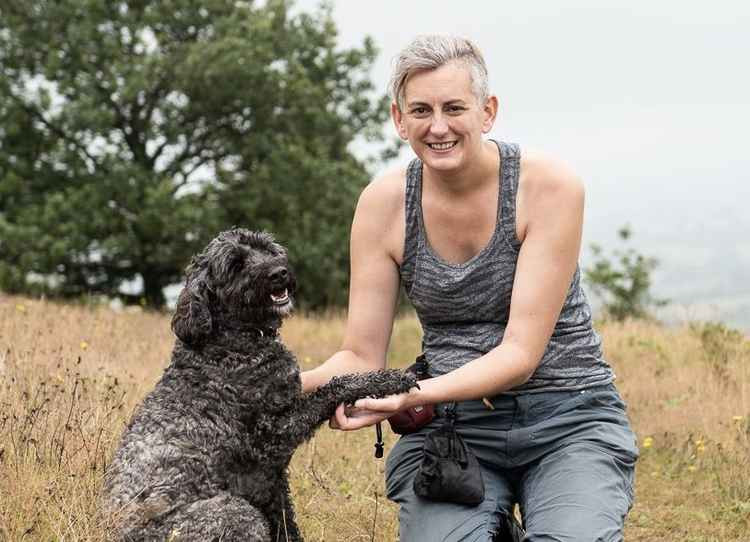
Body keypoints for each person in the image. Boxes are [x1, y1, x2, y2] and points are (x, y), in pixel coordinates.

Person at [301, 35, 639, 542]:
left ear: (487, 112)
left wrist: (405, 394)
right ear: (399, 119)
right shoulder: (384, 204)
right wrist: (273, 385)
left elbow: (520, 355)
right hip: (455, 431)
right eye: (421, 110)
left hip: (568, 415)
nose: (438, 126)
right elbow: (359, 355)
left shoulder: (547, 187)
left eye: (454, 107)